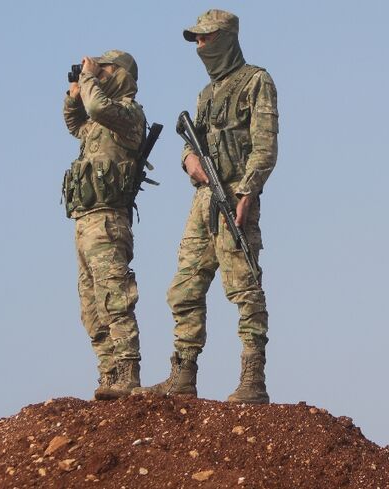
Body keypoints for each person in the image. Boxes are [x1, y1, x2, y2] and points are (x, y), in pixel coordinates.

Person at [136, 10, 279, 403]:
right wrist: (189, 161)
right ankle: (182, 374)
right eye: (196, 40)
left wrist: (247, 193)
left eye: (206, 38)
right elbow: (191, 141)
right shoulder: (206, 95)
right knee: (184, 286)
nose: (200, 47)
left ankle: (253, 380)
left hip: (235, 197)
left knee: (244, 285)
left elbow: (265, 147)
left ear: (226, 38)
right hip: (203, 201)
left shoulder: (256, 81)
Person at [61, 50, 147, 400]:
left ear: (122, 74)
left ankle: (128, 372)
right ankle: (109, 374)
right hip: (85, 221)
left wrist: (89, 79)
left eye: (105, 68)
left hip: (109, 221)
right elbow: (76, 123)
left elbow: (97, 107)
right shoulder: (99, 123)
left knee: (114, 298)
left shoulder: (127, 114)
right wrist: (73, 95)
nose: (97, 73)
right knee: (92, 306)